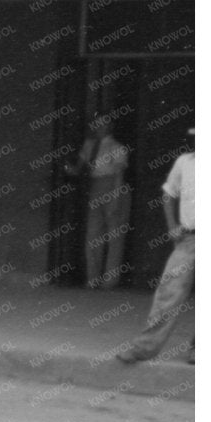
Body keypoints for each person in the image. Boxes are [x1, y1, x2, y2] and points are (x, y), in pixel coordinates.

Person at [116, 128, 194, 364]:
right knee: (169, 291)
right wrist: (172, 227)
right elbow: (168, 193)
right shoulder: (185, 162)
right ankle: (145, 347)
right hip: (190, 237)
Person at [78, 115, 130, 290]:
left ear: (109, 127)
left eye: (104, 124)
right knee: (93, 234)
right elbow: (80, 165)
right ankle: (93, 278)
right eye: (97, 124)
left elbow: (118, 174)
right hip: (95, 185)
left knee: (114, 233)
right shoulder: (89, 146)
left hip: (112, 185)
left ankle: (110, 279)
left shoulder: (117, 147)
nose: (100, 127)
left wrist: (115, 197)